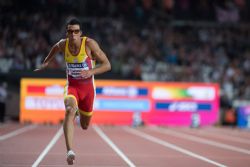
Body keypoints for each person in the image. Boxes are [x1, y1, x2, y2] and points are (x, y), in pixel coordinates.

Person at [35, 18, 111, 165]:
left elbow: (107, 65)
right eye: (70, 31)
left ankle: (78, 112)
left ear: (80, 32)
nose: (73, 34)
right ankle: (70, 151)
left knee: (84, 125)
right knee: (69, 110)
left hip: (88, 90)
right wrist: (46, 61)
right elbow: (55, 48)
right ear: (67, 33)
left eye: (76, 31)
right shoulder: (63, 44)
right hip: (72, 86)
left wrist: (91, 71)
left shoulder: (89, 44)